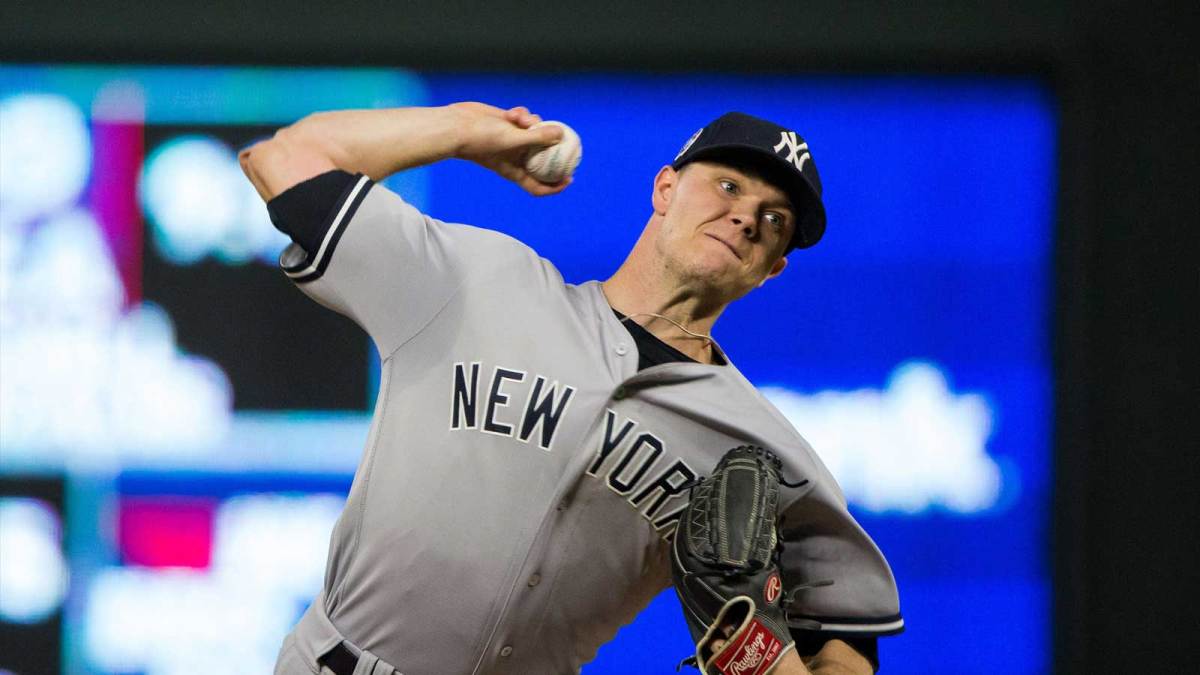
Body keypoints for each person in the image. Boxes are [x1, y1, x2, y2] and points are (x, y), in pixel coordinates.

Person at [240, 101, 902, 675]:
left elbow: (846, 645)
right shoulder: (474, 282)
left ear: (773, 268)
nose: (747, 217)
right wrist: (465, 130)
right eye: (726, 186)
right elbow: (288, 157)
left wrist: (758, 652)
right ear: (665, 188)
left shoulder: (762, 449)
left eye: (774, 218)